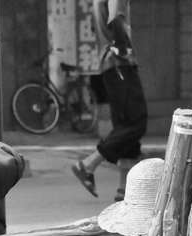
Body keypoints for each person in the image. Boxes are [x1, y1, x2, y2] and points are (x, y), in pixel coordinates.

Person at [71, 0, 147, 201]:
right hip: (120, 64)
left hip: (112, 65)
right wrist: (122, 49)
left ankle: (124, 190)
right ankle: (88, 164)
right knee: (136, 123)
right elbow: (115, 19)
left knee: (126, 125)